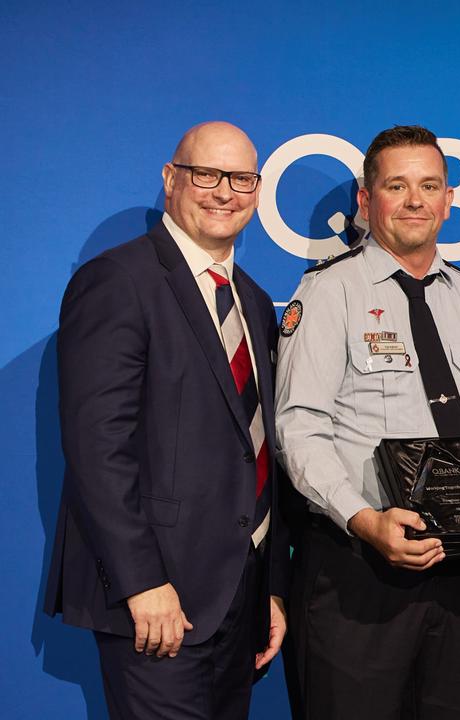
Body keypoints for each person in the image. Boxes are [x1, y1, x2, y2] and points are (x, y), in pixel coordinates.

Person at [44, 121, 288, 719]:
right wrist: (140, 583)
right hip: (157, 603)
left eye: (241, 178)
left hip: (239, 599)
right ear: (171, 178)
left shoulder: (253, 301)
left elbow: (259, 447)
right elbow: (98, 446)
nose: (224, 192)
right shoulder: (117, 280)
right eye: (206, 174)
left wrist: (271, 587)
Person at [274, 125, 460, 719]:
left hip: (459, 575)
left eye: (429, 185)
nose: (415, 201)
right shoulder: (329, 292)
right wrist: (363, 520)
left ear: (449, 199)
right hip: (357, 570)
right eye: (397, 186)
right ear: (365, 199)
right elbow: (298, 427)